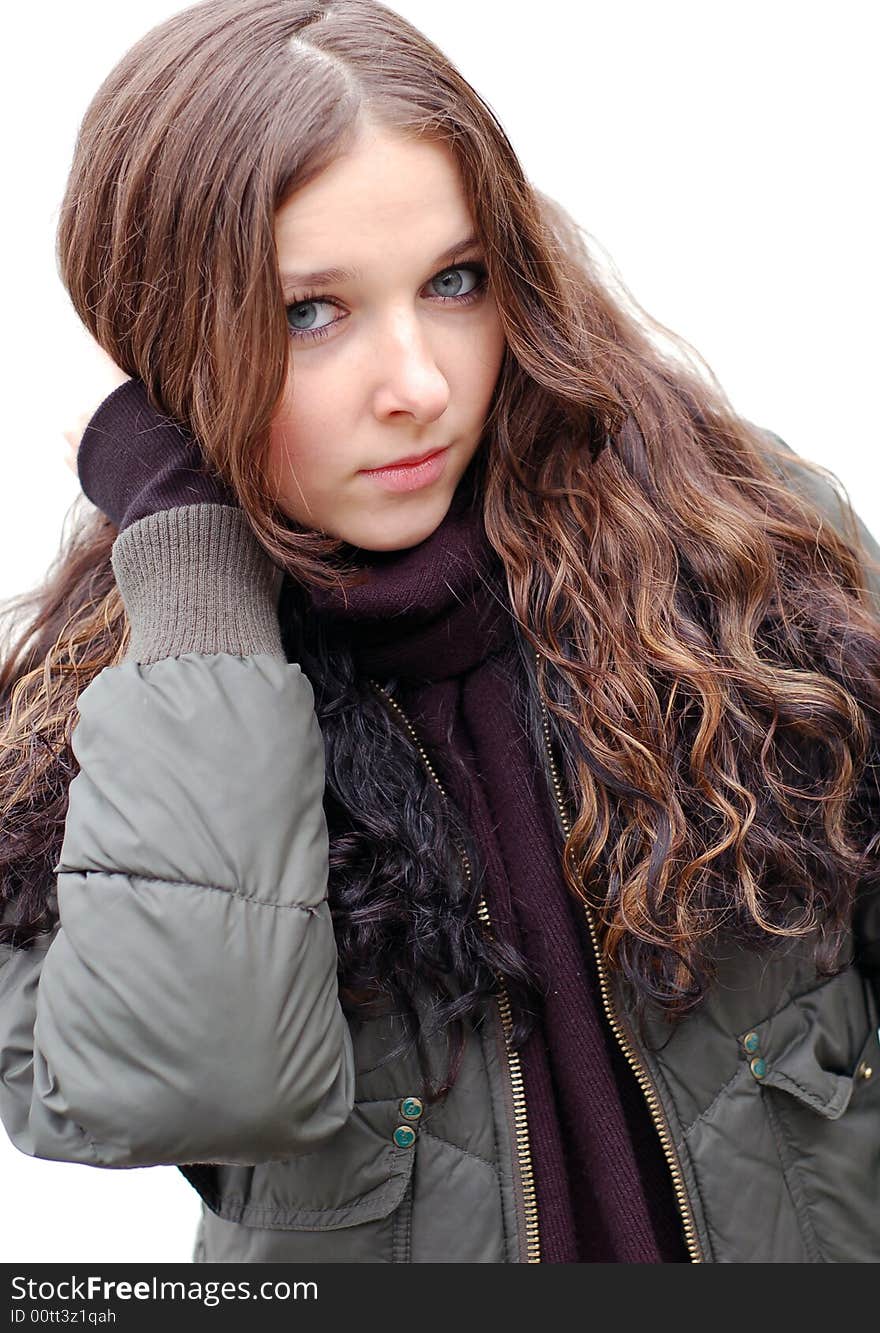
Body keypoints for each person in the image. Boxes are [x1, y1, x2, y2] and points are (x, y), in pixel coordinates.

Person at [1, 0, 879, 1266]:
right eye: (312, 312)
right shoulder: (97, 713)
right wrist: (196, 575)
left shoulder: (741, 554)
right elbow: (184, 1084)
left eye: (453, 281)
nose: (416, 381)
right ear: (163, 337)